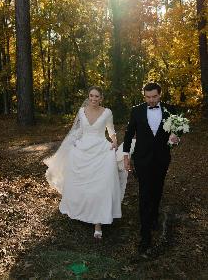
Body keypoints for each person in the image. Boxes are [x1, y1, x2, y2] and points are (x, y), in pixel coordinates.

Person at [44, 86, 123, 239]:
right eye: (91, 96)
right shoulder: (82, 111)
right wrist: (71, 144)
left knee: (100, 186)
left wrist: (114, 142)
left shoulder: (107, 112)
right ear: (88, 96)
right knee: (79, 184)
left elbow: (111, 131)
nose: (94, 99)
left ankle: (98, 223)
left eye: (97, 96)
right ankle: (80, 211)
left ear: (101, 98)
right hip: (82, 150)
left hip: (100, 150)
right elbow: (78, 131)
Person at [123, 82, 179, 255]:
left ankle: (154, 216)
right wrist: (126, 156)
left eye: (154, 97)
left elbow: (177, 133)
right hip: (142, 159)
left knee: (158, 189)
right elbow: (129, 133)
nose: (151, 100)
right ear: (144, 96)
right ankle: (145, 234)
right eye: (148, 97)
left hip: (162, 159)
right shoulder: (136, 110)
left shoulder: (171, 110)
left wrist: (176, 138)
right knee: (145, 193)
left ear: (160, 95)